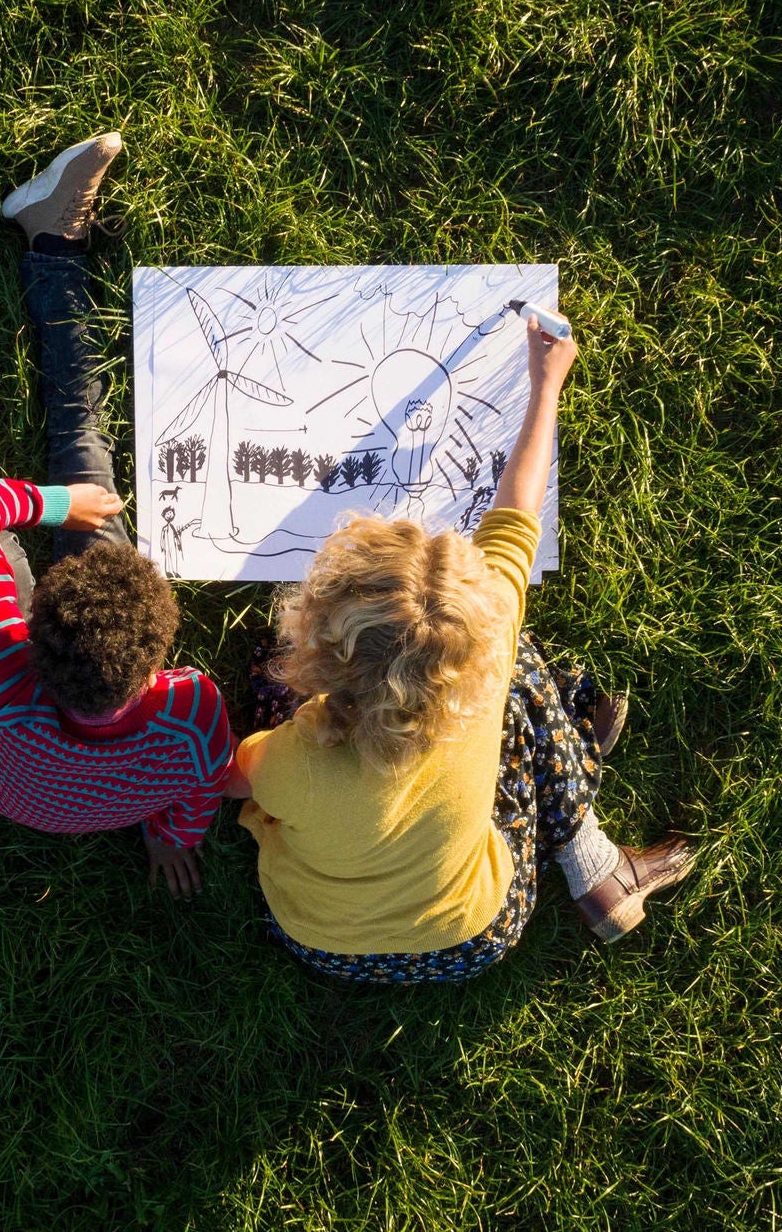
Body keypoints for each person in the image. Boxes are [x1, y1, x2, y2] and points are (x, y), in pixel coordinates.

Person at [229, 316, 695, 982]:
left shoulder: (296, 755)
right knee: (514, 666)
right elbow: (517, 512)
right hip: (475, 936)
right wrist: (546, 388)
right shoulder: (492, 631)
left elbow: (228, 776)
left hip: (320, 942)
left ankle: (593, 856)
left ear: (324, 647)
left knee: (261, 672)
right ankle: (589, 856)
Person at [0, 133, 230, 898]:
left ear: (30, 619)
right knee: (85, 444)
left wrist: (59, 504)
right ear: (161, 666)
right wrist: (171, 835)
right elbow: (205, 786)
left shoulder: (1, 660)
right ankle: (53, 240)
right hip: (57, 790)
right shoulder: (192, 710)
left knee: (44, 467)